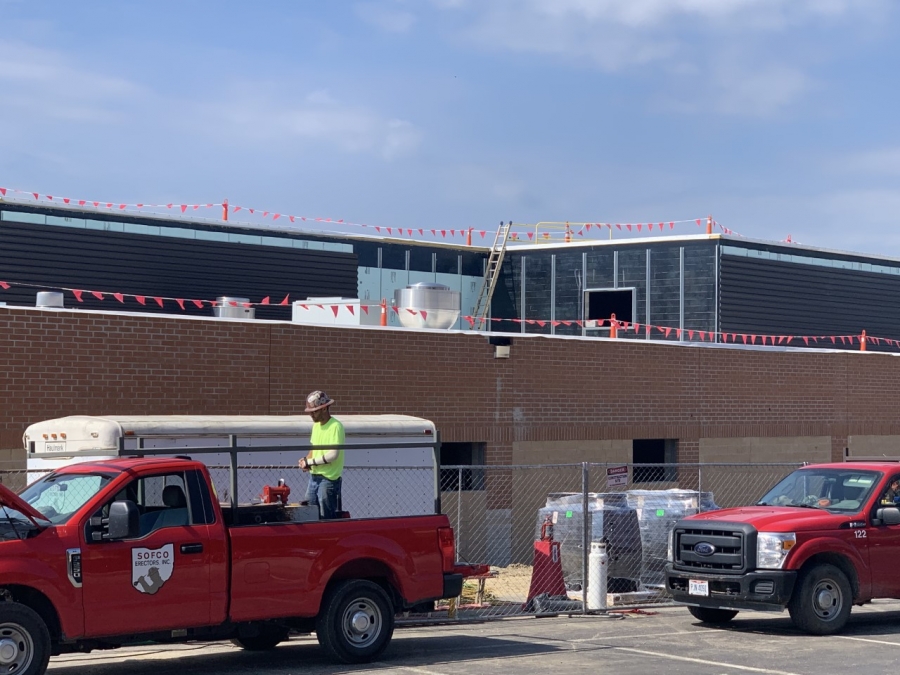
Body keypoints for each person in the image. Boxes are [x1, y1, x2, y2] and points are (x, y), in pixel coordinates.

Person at [298, 390, 345, 519]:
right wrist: (305, 460)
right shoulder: (316, 426)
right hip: (314, 477)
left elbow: (333, 455)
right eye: (310, 412)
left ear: (324, 409)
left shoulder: (336, 426)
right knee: (309, 513)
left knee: (326, 517)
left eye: (315, 411)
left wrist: (310, 462)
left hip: (329, 479)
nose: (311, 415)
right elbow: (314, 450)